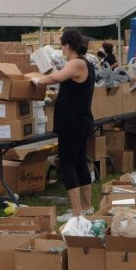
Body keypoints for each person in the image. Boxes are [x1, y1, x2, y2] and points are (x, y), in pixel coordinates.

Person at [31, 29, 95, 222]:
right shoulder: (86, 64)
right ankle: (87, 207)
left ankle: (76, 212)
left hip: (72, 122)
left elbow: (55, 78)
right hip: (80, 120)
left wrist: (37, 80)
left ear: (68, 45)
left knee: (68, 165)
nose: (61, 50)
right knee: (80, 162)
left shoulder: (76, 63)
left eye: (62, 46)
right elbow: (59, 76)